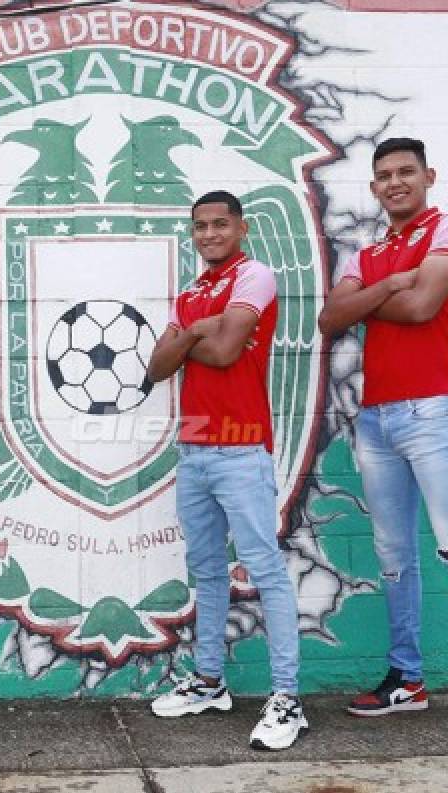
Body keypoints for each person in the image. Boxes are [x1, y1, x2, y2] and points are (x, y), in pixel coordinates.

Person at [317, 137, 448, 753]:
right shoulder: (370, 249)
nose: (395, 183)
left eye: (406, 172)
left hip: (434, 412)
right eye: (383, 176)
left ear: (428, 175)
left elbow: (424, 304)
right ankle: (406, 678)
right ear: (375, 187)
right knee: (392, 556)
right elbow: (331, 319)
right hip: (376, 418)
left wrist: (375, 295)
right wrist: (390, 285)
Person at [145, 190, 307, 751]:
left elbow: (227, 350)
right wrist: (193, 331)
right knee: (208, 571)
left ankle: (288, 697)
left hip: (242, 450)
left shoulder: (254, 275)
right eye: (200, 227)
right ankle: (210, 681)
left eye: (220, 224)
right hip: (194, 450)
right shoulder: (191, 294)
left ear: (241, 227)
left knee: (263, 570)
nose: (209, 234)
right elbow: (157, 367)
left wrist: (193, 338)